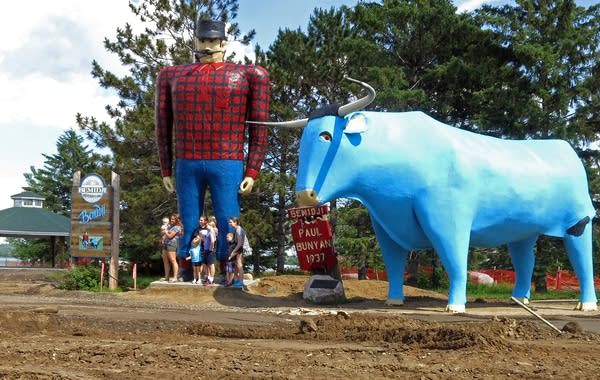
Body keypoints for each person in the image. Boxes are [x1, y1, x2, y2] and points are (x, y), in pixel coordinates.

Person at [155, 18, 269, 274]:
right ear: (196, 41)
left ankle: (231, 268)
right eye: (203, 40)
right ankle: (187, 266)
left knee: (229, 214)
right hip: (188, 159)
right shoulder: (171, 76)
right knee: (188, 216)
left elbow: (259, 128)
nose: (207, 46)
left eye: (212, 41)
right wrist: (165, 168)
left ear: (223, 43)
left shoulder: (248, 75)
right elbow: (162, 126)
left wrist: (252, 171)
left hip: (227, 159)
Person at [161, 214, 182, 282]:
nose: (171, 220)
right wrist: (165, 231)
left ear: (177, 220)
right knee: (165, 260)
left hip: (172, 244)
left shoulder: (177, 227)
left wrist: (166, 231)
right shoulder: (170, 226)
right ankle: (166, 277)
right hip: (165, 243)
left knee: (173, 260)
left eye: (173, 219)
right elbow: (162, 232)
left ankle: (175, 277)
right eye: (171, 219)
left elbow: (170, 236)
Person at [228, 217, 247, 289]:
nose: (229, 223)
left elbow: (239, 243)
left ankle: (241, 282)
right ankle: (236, 280)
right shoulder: (236, 229)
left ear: (235, 222)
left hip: (239, 249)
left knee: (239, 265)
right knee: (236, 264)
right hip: (238, 248)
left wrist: (233, 252)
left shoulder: (238, 230)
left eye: (231, 222)